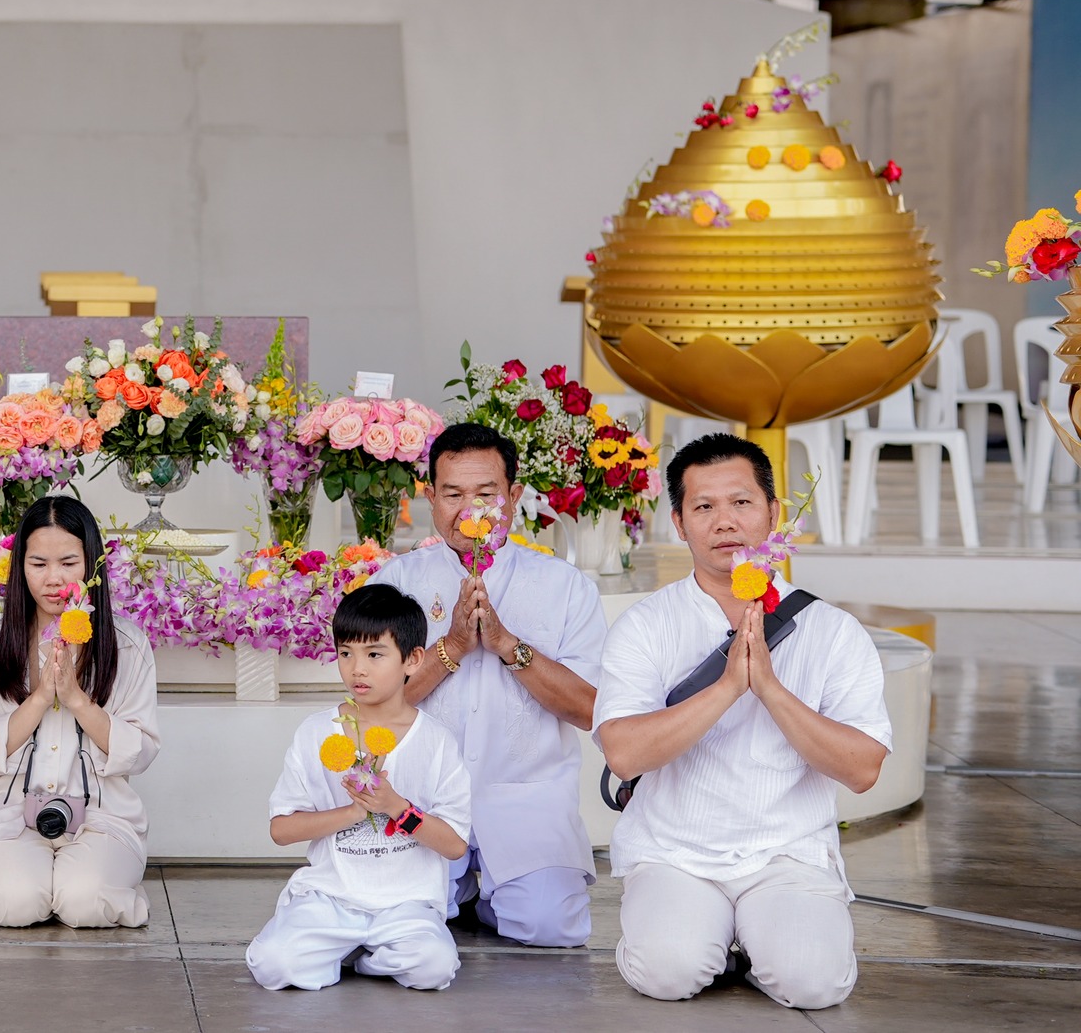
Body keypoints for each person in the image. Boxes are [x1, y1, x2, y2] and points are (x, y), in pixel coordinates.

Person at [595, 433, 891, 1010]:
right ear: (678, 523)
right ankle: (710, 938)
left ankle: (759, 946)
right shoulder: (646, 625)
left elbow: (861, 770)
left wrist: (771, 690)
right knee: (668, 973)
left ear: (774, 514)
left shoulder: (832, 630)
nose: (725, 521)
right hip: (674, 852)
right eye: (704, 507)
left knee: (815, 985)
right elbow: (623, 755)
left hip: (788, 851)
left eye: (742, 502)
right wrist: (730, 687)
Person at [369, 420, 606, 948]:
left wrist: (507, 647)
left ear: (514, 496)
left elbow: (591, 710)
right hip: (420, 800)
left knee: (551, 928)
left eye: (486, 494)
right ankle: (463, 893)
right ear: (429, 496)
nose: (469, 511)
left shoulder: (564, 587)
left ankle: (485, 896)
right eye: (452, 494)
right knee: (394, 924)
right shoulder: (395, 582)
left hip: (526, 800)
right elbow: (372, 709)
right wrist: (450, 646)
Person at [246, 585, 473, 993]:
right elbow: (281, 830)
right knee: (273, 964)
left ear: (413, 659)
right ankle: (339, 945)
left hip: (407, 904)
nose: (357, 669)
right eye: (346, 653)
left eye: (374, 654)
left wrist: (395, 807)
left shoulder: (436, 740)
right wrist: (353, 813)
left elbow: (455, 845)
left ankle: (363, 959)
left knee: (434, 968)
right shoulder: (317, 732)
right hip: (331, 898)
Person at [0, 496, 161, 928]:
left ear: (92, 565)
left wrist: (77, 700)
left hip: (102, 815)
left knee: (85, 902)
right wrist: (39, 696)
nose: (54, 579)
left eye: (68, 562)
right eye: (38, 564)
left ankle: (93, 883)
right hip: (10, 813)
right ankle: (41, 884)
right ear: (20, 567)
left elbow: (140, 751)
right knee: (17, 902)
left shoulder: (128, 645)